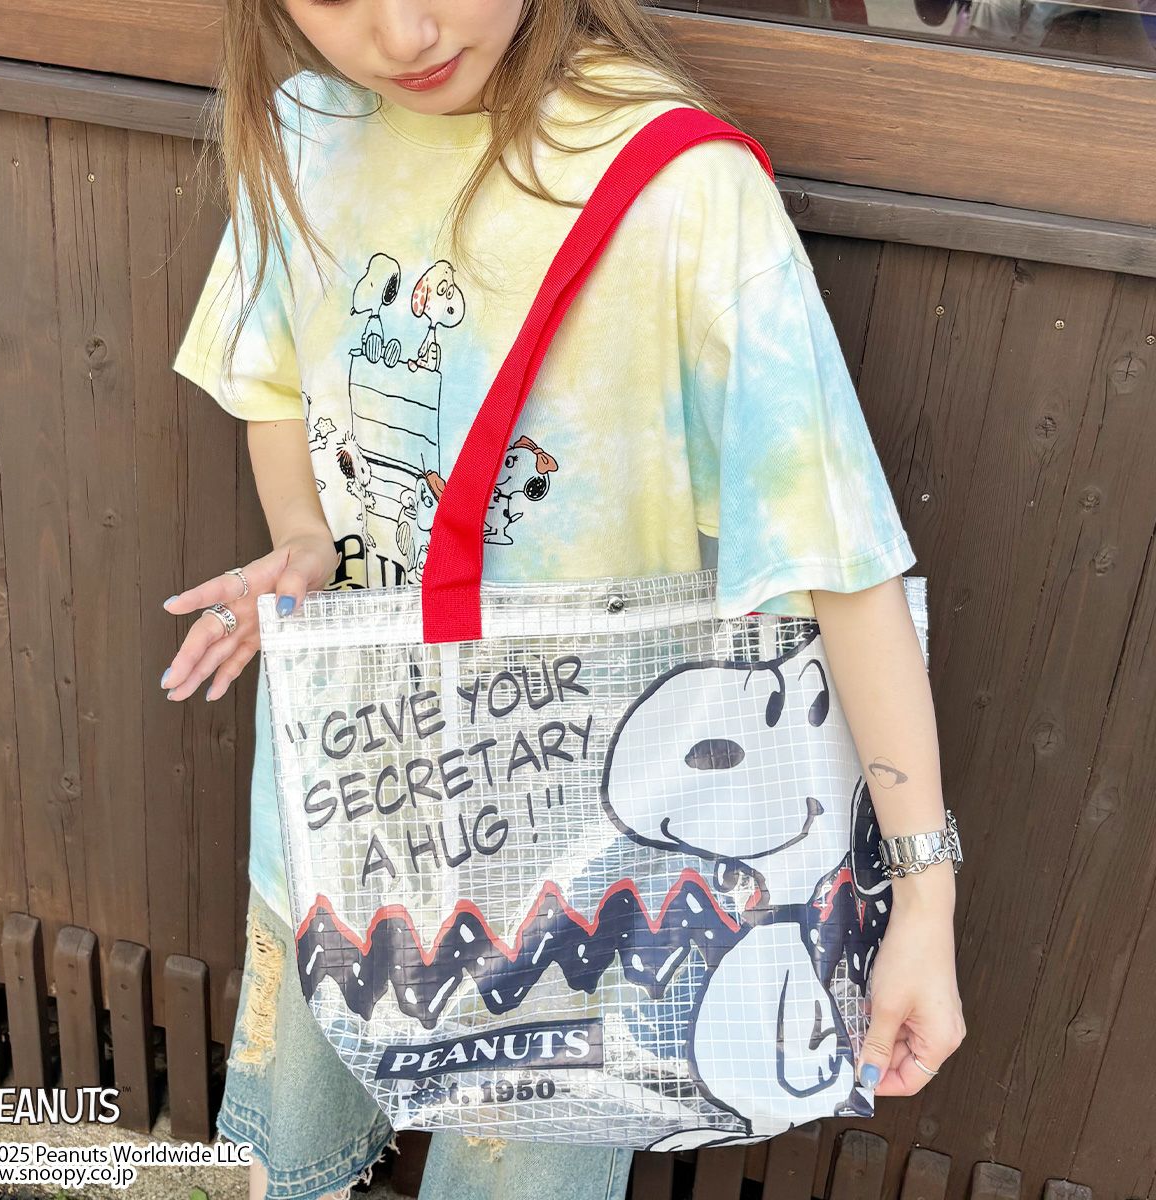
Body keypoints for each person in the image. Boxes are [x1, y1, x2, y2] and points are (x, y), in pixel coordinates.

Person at [161, 0, 966, 1195]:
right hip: (340, 792)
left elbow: (838, 559)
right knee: (294, 1130)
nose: (403, 31)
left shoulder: (682, 190)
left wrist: (924, 903)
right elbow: (272, 374)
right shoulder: (306, 124)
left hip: (576, 873)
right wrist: (304, 540)